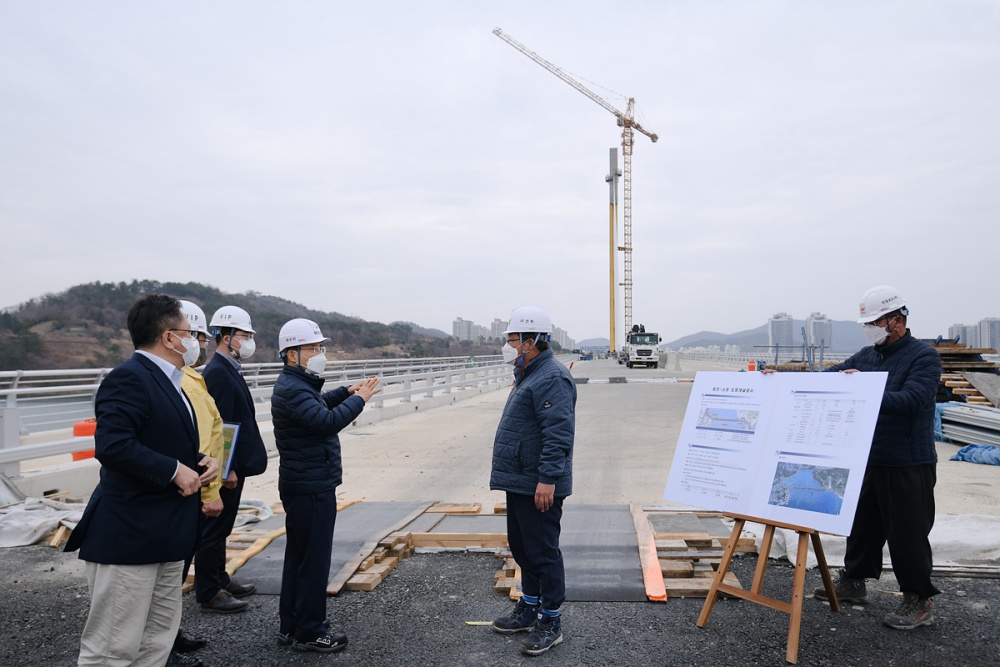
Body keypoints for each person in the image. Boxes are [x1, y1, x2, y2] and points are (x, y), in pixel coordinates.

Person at [66, 294, 218, 667]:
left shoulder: (173, 381)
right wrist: (173, 470)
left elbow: (158, 440)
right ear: (169, 337)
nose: (197, 342)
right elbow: (114, 445)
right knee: (113, 647)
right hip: (130, 536)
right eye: (191, 333)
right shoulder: (128, 378)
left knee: (157, 640)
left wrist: (199, 462)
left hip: (166, 534)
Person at [812, 285, 943, 630]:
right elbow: (831, 378)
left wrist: (864, 388)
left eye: (875, 321)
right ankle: (854, 581)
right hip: (870, 457)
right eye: (867, 322)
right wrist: (779, 381)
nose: (870, 328)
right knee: (863, 525)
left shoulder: (923, 357)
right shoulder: (867, 355)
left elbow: (912, 400)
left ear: (897, 320)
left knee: (907, 532)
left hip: (908, 461)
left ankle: (918, 598)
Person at [270, 318, 381, 653]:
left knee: (300, 558)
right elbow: (325, 422)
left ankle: (292, 625)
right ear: (292, 354)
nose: (320, 354)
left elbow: (317, 408)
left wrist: (344, 392)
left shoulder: (298, 385)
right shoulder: (292, 389)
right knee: (313, 561)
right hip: (311, 485)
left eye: (321, 347)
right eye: (314, 348)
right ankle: (310, 630)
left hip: (304, 483)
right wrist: (359, 400)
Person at [490, 306, 577, 656]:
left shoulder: (551, 377)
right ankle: (528, 607)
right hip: (519, 477)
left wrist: (548, 479)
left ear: (532, 341)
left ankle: (551, 620)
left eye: (512, 340)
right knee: (523, 548)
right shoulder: (528, 371)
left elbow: (558, 434)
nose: (508, 346)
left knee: (543, 552)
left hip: (538, 481)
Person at [196, 305, 268, 613]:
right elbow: (220, 428)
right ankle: (208, 591)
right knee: (214, 528)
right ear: (225, 337)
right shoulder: (219, 374)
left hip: (233, 465)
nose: (249, 340)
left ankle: (220, 577)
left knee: (223, 527)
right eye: (244, 335)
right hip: (227, 469)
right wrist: (226, 468)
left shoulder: (228, 370)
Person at [168, 300, 228, 666]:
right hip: (190, 488)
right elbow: (200, 442)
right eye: (195, 336)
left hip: (199, 484)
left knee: (176, 570)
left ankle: (170, 636)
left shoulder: (190, 377)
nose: (199, 344)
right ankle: (163, 646)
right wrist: (211, 491)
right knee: (168, 574)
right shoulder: (180, 380)